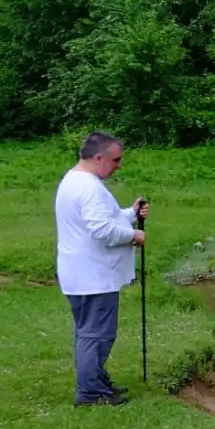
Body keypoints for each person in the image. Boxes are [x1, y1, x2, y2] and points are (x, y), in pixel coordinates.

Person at [55, 131, 148, 407]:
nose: (119, 165)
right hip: (92, 277)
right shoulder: (89, 187)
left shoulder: (75, 181)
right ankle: (90, 393)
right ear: (99, 158)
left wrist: (130, 214)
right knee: (95, 335)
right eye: (116, 160)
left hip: (83, 273)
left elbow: (102, 218)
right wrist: (134, 236)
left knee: (91, 332)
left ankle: (96, 384)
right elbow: (102, 230)